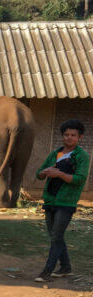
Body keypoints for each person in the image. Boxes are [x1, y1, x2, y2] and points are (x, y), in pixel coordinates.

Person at [34, 119, 90, 282]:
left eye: (73, 135)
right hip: (50, 200)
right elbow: (39, 173)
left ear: (80, 137)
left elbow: (80, 179)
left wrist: (59, 174)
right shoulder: (55, 154)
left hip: (66, 202)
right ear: (62, 136)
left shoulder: (82, 156)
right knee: (55, 236)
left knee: (56, 236)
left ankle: (47, 271)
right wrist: (45, 171)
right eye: (66, 135)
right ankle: (66, 268)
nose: (69, 138)